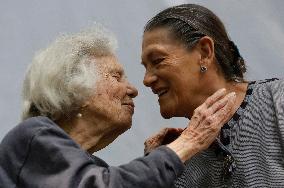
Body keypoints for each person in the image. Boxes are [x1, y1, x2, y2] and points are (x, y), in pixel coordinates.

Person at [0, 24, 236, 188]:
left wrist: (154, 159)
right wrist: (188, 142)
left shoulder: (92, 168)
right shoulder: (31, 136)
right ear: (74, 86)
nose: (134, 89)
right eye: (116, 77)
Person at [141, 3, 284, 188]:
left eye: (158, 60)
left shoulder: (277, 100)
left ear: (204, 52)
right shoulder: (177, 160)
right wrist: (157, 169)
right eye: (145, 67)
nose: (146, 79)